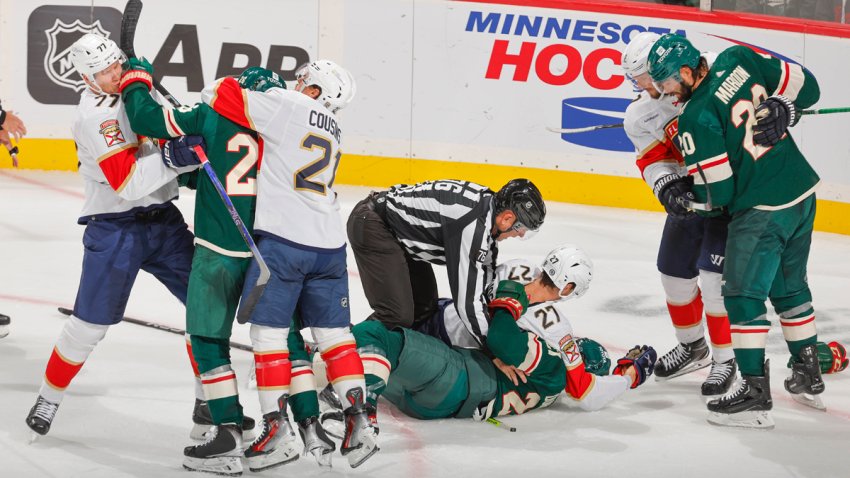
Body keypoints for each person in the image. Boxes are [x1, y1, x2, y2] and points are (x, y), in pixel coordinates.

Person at [121, 63, 305, 473]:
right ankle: (293, 428)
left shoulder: (212, 113)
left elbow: (145, 118)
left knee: (207, 341)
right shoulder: (285, 131)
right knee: (281, 341)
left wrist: (137, 80)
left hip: (217, 251)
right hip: (269, 252)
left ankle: (225, 434)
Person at [199, 59, 378, 469]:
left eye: (304, 80)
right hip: (329, 247)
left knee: (269, 339)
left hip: (284, 243)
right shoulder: (335, 127)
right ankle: (359, 422)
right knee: (336, 338)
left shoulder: (287, 105)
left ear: (315, 90)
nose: (295, 83)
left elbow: (218, 94)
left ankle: (276, 429)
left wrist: (248, 84)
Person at [24, 33, 201, 438]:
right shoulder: (94, 117)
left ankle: (207, 406)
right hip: (115, 228)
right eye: (104, 72)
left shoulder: (134, 87)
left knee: (205, 309)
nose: (114, 75)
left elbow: (163, 132)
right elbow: (130, 184)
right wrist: (177, 158)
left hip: (165, 223)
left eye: (117, 66)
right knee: (89, 325)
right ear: (87, 78)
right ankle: (49, 395)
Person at [648, 34, 824, 428]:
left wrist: (684, 196)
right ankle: (808, 375)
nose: (666, 93)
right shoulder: (739, 57)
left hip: (760, 210)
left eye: (667, 83)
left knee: (742, 297)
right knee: (791, 288)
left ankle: (755, 397)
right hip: (801, 192)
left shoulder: (695, 116)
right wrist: (785, 107)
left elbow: (718, 193)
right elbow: (808, 87)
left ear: (687, 72)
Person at [345, 259, 656, 425]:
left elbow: (504, 340)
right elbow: (587, 391)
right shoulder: (554, 361)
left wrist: (509, 302)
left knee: (367, 338)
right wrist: (629, 374)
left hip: (452, 367)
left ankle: (356, 404)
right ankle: (347, 375)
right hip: (438, 400)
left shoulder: (551, 359)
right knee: (379, 355)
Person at [621, 32, 736, 397]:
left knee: (715, 284)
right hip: (693, 190)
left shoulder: (713, 69)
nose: (639, 86)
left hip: (730, 191)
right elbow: (654, 161)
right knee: (673, 275)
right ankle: (693, 347)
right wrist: (668, 186)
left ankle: (726, 359)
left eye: (641, 77)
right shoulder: (641, 114)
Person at [415, 244, 651, 411]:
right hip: (448, 353)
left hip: (440, 311)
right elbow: (583, 391)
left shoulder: (516, 266)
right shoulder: (556, 327)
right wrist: (628, 376)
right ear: (567, 287)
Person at [347, 178, 545, 349]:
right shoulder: (472, 225)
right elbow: (468, 304)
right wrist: (495, 350)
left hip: (396, 231)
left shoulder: (487, 212)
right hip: (373, 226)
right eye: (521, 228)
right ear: (507, 218)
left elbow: (485, 279)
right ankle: (340, 350)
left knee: (424, 306)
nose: (520, 234)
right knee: (396, 315)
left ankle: (393, 353)